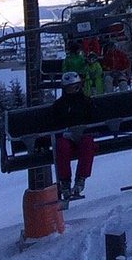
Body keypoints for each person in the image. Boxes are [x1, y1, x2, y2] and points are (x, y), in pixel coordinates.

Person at [48, 70, 96, 203]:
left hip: (83, 135)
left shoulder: (86, 102)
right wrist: (63, 132)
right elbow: (54, 124)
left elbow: (93, 119)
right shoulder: (59, 105)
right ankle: (65, 182)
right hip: (66, 137)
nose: (72, 90)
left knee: (87, 143)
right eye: (69, 88)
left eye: (74, 87)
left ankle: (81, 178)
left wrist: (86, 129)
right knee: (61, 146)